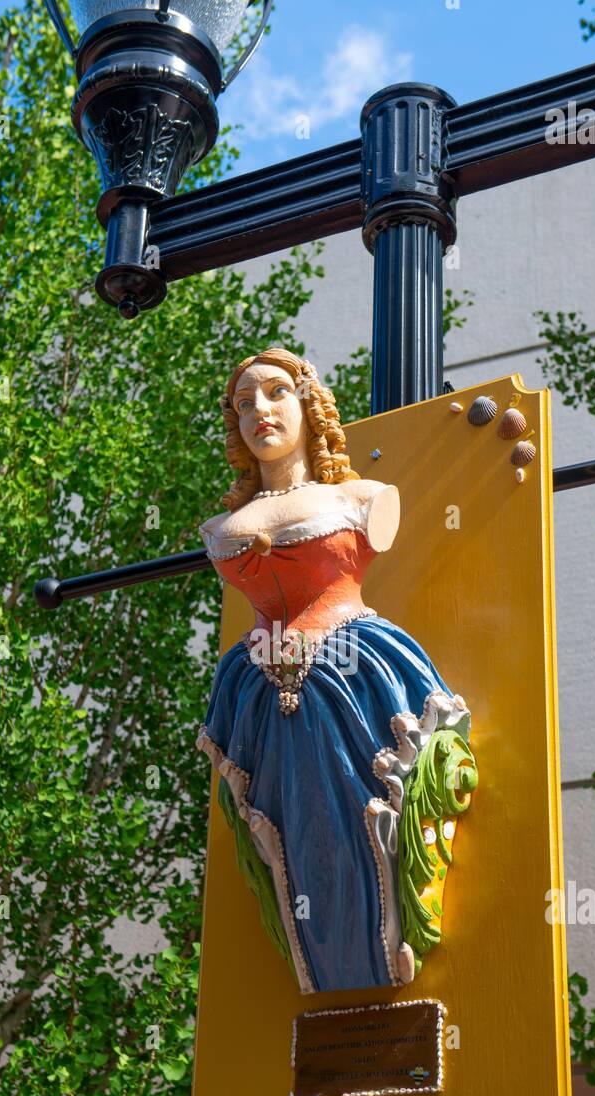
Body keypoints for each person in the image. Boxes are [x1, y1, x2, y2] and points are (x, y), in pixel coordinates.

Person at [196, 346, 477, 994]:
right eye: (243, 403)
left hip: (353, 668)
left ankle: (386, 951)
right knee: (283, 824)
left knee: (374, 808)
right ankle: (325, 973)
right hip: (257, 689)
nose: (259, 411)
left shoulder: (363, 498)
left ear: (308, 403)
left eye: (274, 394)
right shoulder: (222, 526)